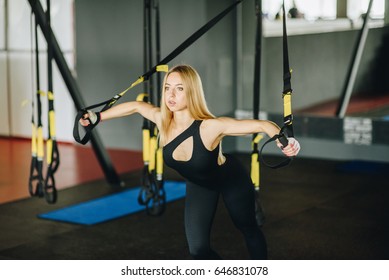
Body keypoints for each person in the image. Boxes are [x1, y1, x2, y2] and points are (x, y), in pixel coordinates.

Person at [80, 64, 300, 259]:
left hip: (230, 180)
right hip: (199, 186)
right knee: (198, 250)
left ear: (192, 92)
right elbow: (136, 107)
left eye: (179, 88)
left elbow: (262, 125)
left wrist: (285, 142)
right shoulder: (162, 121)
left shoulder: (209, 126)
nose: (171, 94)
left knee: (248, 227)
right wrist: (97, 117)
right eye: (167, 88)